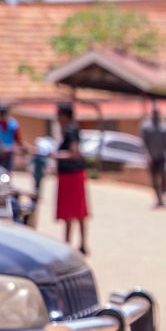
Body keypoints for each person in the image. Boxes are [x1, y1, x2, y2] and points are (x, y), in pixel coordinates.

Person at [54, 103, 90, 255]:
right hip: (74, 174)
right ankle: (80, 243)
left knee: (72, 210)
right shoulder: (71, 129)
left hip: (71, 174)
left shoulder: (70, 130)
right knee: (78, 210)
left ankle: (69, 244)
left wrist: (56, 155)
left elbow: (74, 153)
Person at [140, 105, 166, 208]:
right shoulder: (146, 127)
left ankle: (163, 196)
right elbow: (144, 143)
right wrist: (147, 156)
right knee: (154, 178)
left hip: (162, 156)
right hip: (151, 157)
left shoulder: (164, 126)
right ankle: (158, 198)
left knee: (163, 176)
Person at [0, 106, 25, 173]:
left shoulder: (12, 125)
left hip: (8, 152)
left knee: (6, 172)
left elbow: (17, 138)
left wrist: (21, 147)